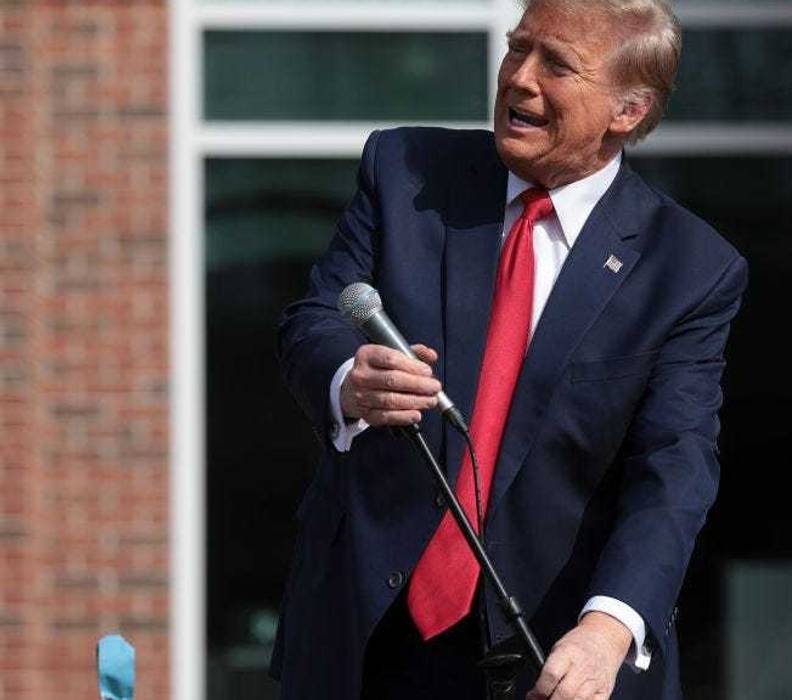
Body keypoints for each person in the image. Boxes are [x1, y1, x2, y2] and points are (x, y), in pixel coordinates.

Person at [270, 0, 746, 697]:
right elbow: (314, 320)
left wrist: (609, 627)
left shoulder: (689, 268)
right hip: (365, 635)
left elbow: (674, 466)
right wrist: (348, 378)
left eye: (557, 65)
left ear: (627, 110)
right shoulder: (406, 170)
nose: (519, 77)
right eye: (518, 48)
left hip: (549, 649)